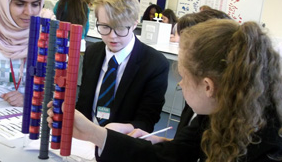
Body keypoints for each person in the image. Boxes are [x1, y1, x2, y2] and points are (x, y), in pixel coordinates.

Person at [48, 18, 282, 162]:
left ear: (208, 86)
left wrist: (94, 133)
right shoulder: (218, 114)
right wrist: (94, 133)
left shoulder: (269, 147)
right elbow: (175, 155)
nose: (179, 85)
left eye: (183, 77)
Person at [75, 0, 169, 133]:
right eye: (105, 27)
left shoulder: (155, 64)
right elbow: (84, 102)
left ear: (134, 24)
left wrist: (115, 130)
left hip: (122, 143)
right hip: (85, 138)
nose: (112, 36)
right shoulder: (92, 52)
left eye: (120, 28)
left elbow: (147, 121)